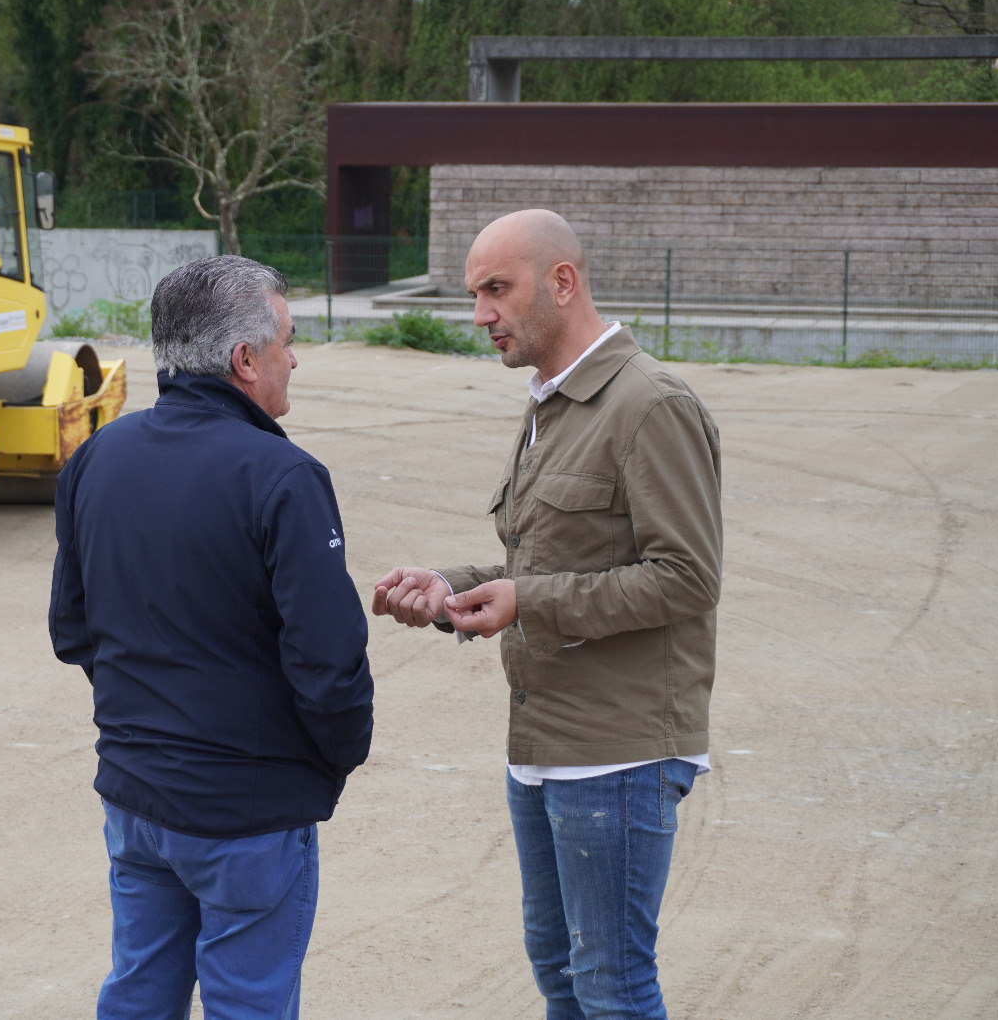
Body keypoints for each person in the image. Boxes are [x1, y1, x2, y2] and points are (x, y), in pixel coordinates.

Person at [372, 210, 722, 1020]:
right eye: (473, 295)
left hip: (618, 754)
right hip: (542, 747)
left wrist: (530, 600)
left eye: (496, 290)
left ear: (563, 283)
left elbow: (687, 578)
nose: (480, 315)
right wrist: (446, 586)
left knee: (611, 985)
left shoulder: (648, 404)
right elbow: (547, 565)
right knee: (561, 973)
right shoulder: (550, 405)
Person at [50, 255, 375, 1020]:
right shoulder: (282, 476)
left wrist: (145, 717)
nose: (294, 359)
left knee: (138, 991)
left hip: (136, 796)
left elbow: (74, 629)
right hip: (248, 811)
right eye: (287, 341)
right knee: (249, 1003)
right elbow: (329, 662)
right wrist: (332, 757)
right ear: (244, 359)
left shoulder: (97, 458)